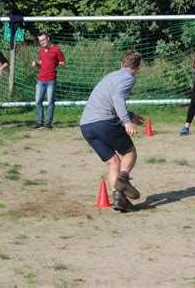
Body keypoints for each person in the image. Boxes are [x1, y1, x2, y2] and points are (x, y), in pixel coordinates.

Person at [80, 50, 144, 213]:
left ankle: (119, 199)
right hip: (104, 123)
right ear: (138, 67)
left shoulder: (111, 76)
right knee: (130, 152)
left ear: (121, 64)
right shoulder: (128, 78)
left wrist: (129, 115)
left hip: (86, 125)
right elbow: (117, 99)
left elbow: (107, 100)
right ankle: (123, 179)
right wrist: (126, 121)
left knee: (113, 162)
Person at [31, 32, 65, 129]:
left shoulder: (56, 50)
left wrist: (57, 64)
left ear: (48, 38)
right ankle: (40, 121)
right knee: (38, 101)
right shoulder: (41, 50)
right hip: (41, 80)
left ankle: (48, 123)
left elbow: (62, 62)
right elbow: (41, 64)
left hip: (51, 80)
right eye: (40, 41)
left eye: (43, 39)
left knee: (50, 102)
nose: (42, 42)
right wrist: (36, 64)